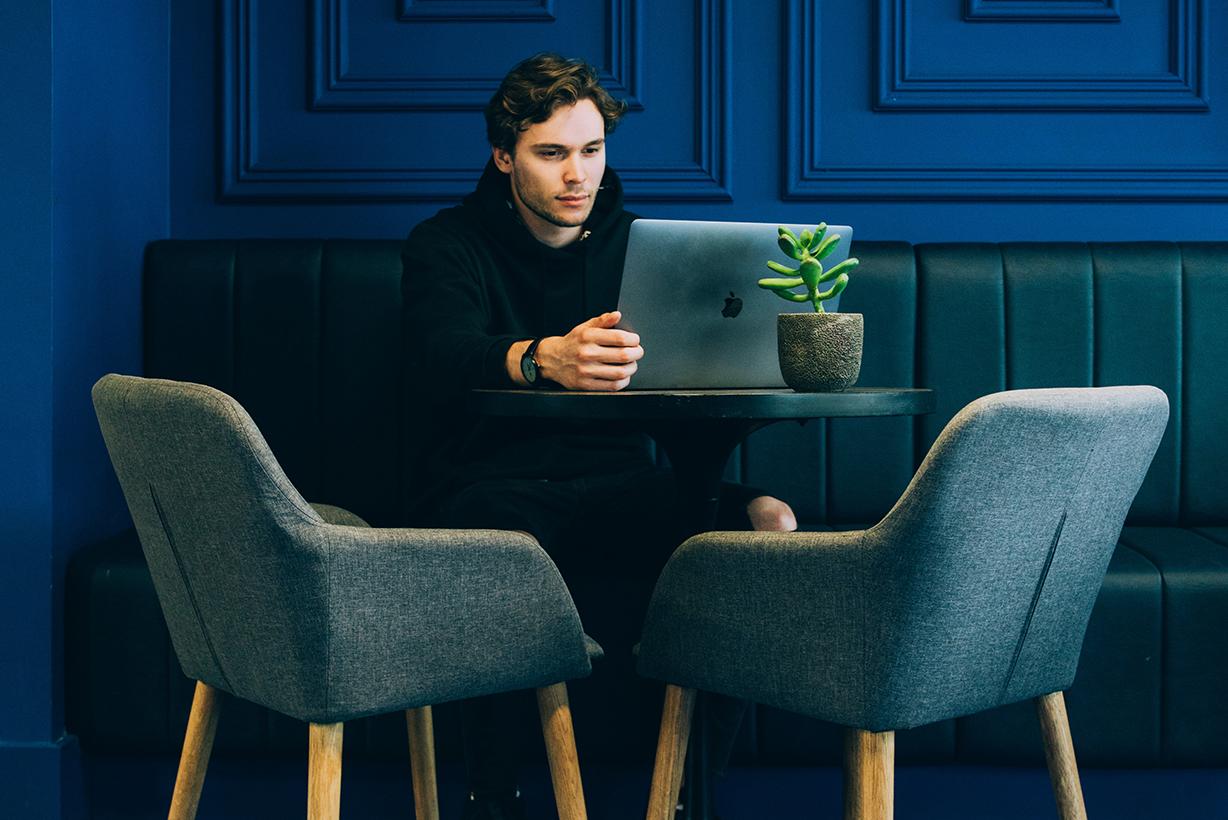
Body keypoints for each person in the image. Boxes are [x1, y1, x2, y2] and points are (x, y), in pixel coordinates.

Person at [401, 52, 797, 820]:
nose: (576, 175)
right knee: (495, 542)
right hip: (492, 486)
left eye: (591, 150)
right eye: (551, 154)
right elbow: (438, 357)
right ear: (504, 156)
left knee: (769, 521)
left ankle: (687, 795)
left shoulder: (641, 247)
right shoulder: (446, 244)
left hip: (621, 484)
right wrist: (539, 357)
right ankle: (492, 794)